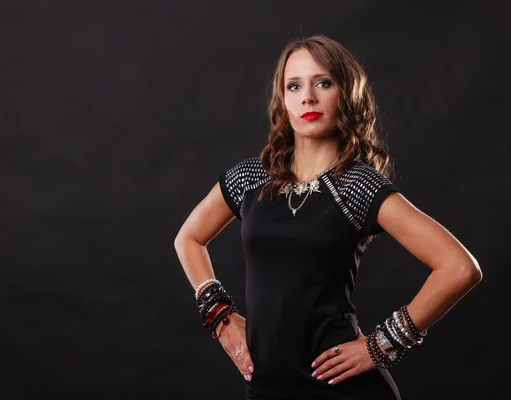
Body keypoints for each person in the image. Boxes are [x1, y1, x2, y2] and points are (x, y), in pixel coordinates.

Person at [173, 35, 482, 400]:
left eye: (323, 83)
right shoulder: (252, 177)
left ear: (345, 94)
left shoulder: (358, 185)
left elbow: (460, 268)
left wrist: (380, 346)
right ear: (283, 100)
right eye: (294, 86)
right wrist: (220, 316)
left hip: (342, 389)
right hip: (265, 387)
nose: (308, 97)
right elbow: (188, 238)